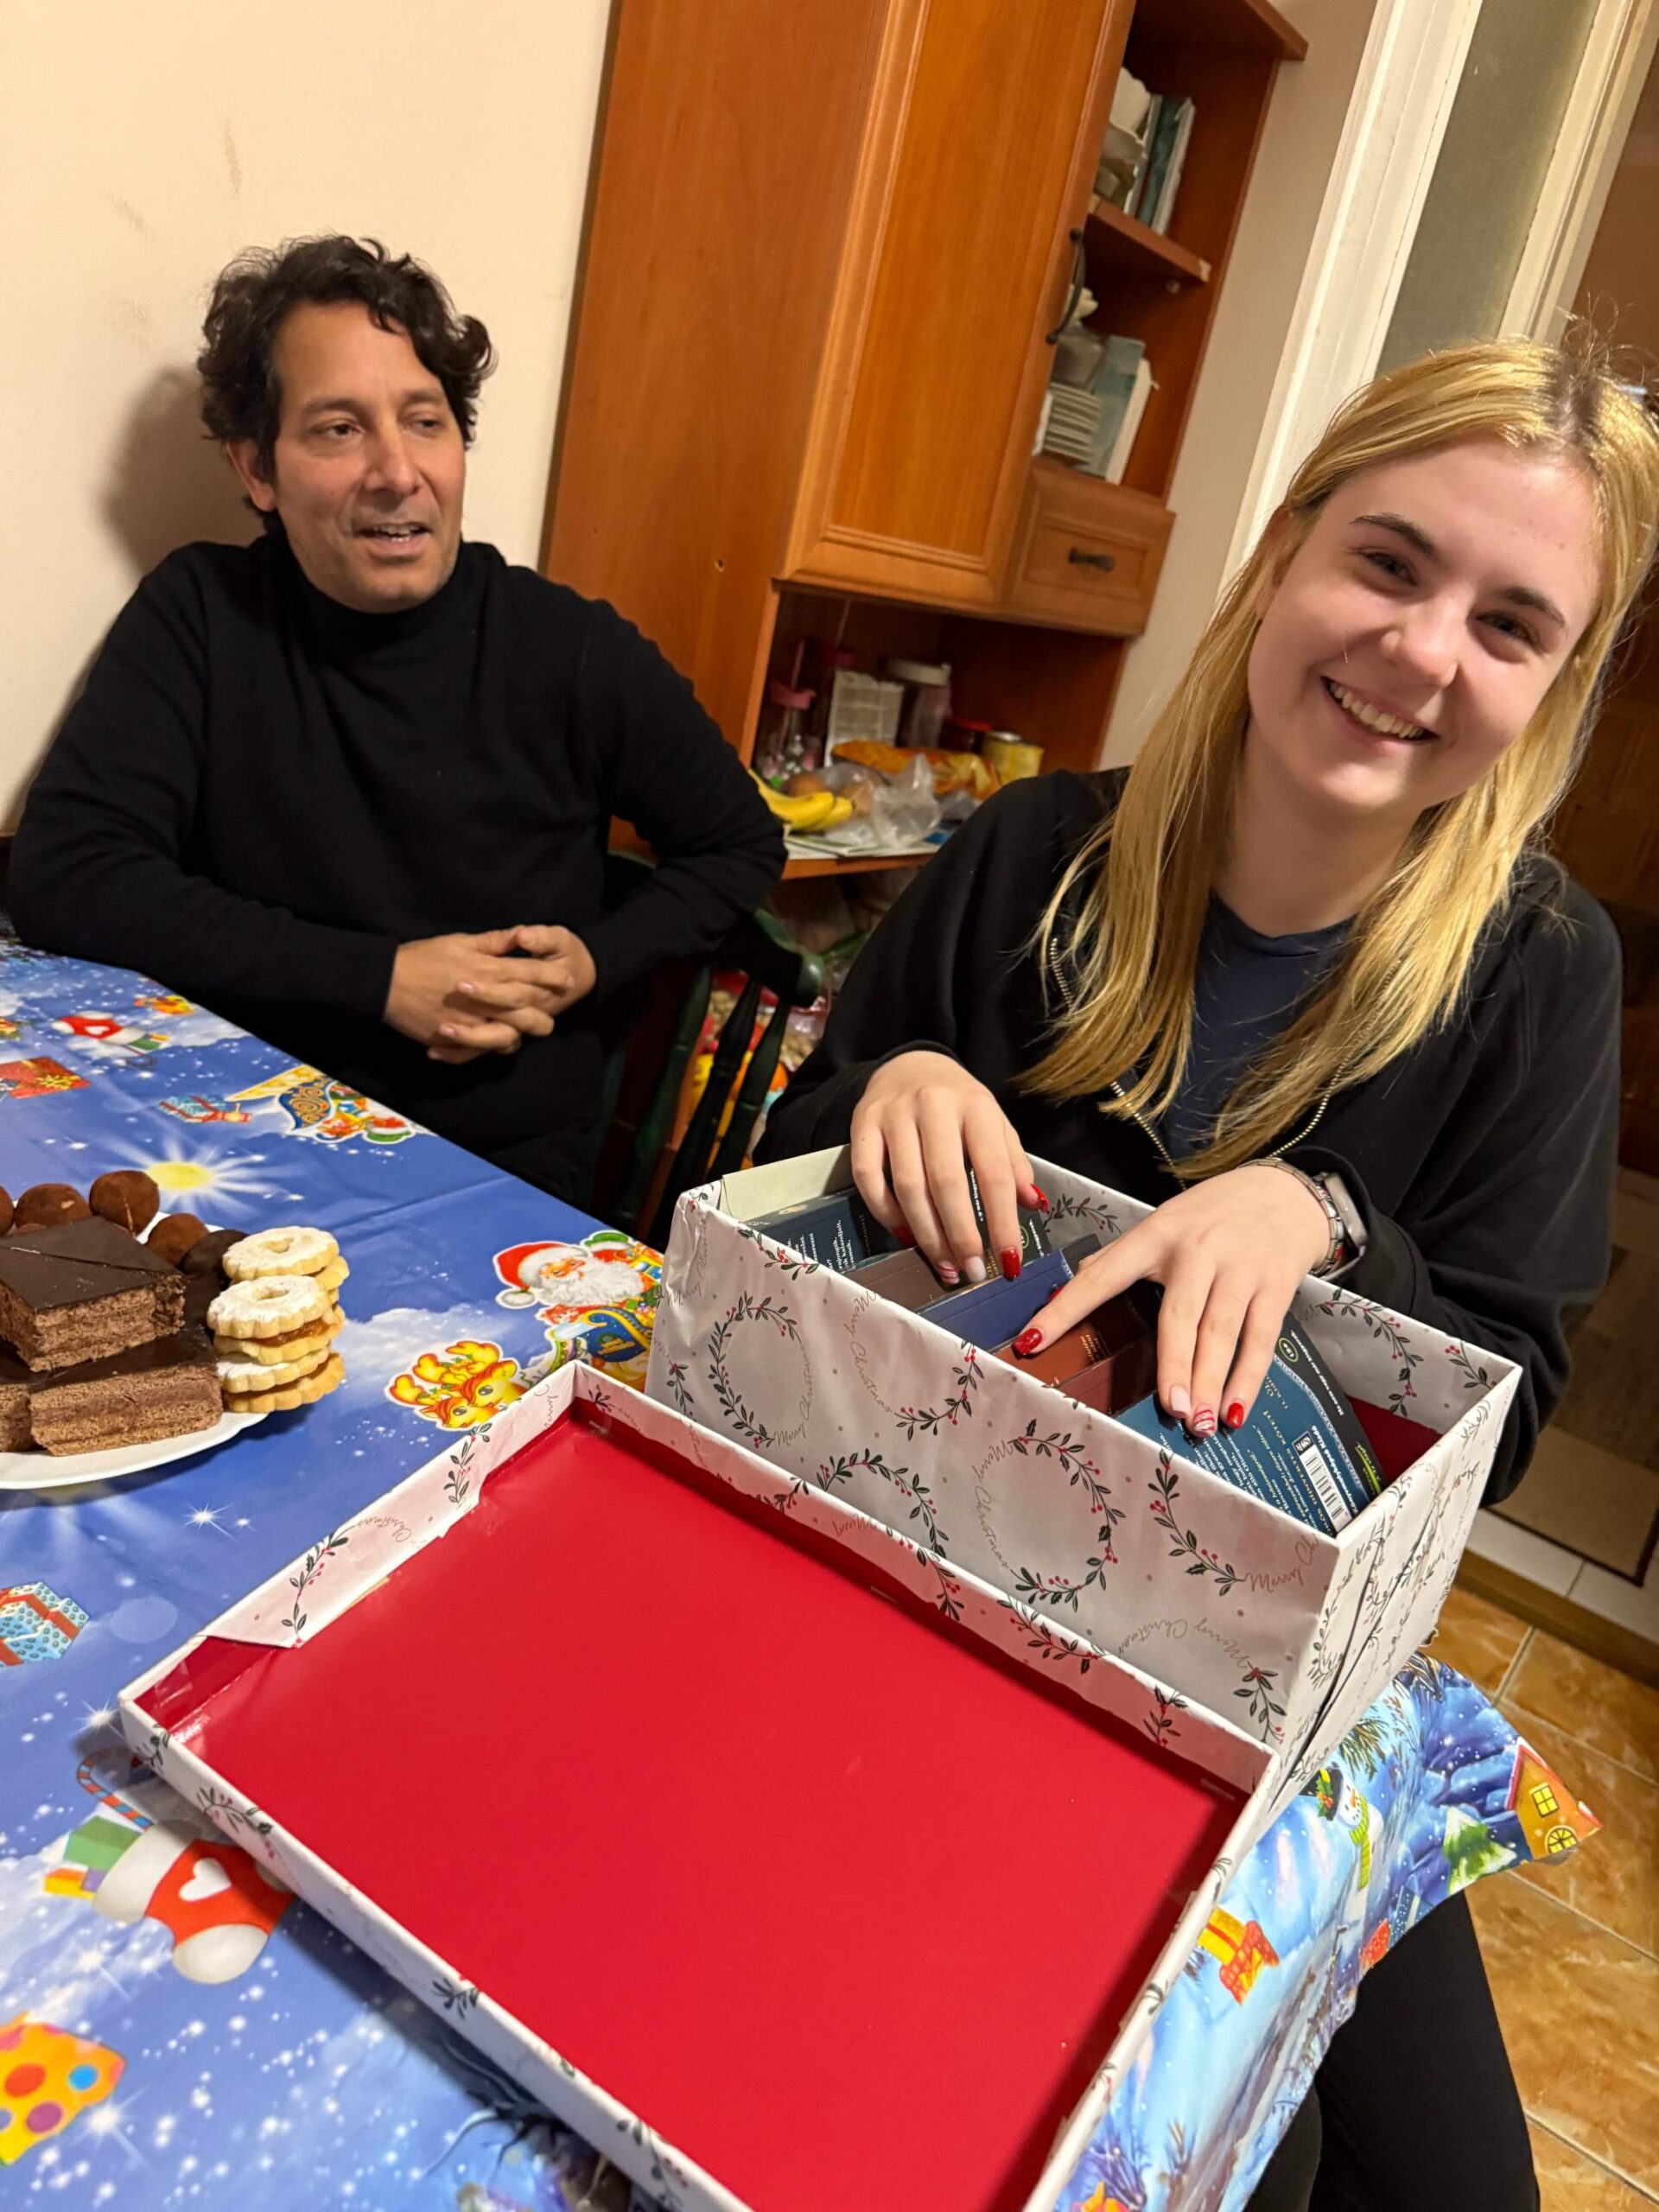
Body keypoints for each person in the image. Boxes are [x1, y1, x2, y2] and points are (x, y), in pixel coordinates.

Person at [759, 334, 1659, 2209]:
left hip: (1269, 1677)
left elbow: (1503, 1411)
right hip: (942, 1590)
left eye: (1510, 625)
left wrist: (1330, 1219)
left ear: (1555, 690)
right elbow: (784, 1176)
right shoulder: (1032, 850)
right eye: (1390, 562)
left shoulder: (1541, 968)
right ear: (1286, 549)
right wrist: (889, 1080)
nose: (1422, 651)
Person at [10, 236, 783, 1204]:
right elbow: (68, 873)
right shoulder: (202, 613)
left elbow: (740, 842)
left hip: (489, 1164)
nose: (397, 471)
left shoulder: (569, 648)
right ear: (257, 468)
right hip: (227, 1132)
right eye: (339, 429)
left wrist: (596, 958)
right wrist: (379, 979)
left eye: (425, 421)